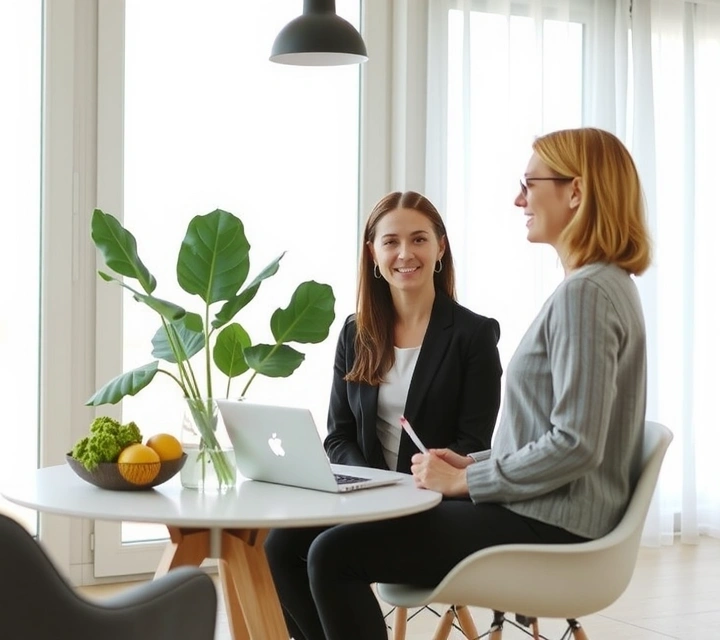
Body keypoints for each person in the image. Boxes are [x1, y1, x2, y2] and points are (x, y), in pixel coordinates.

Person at [281, 127, 652, 640]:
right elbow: (554, 437)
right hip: (548, 509)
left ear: (576, 192)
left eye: (530, 183)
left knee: (332, 554)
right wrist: (473, 462)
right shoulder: (600, 284)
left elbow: (576, 445)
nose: (518, 198)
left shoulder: (586, 293)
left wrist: (466, 481)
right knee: (290, 544)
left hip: (554, 523)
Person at [265, 190, 504, 640]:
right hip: (367, 496)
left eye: (418, 239)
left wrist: (410, 482)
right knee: (279, 546)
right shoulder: (356, 332)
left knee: (328, 554)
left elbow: (474, 444)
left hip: (432, 501)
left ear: (440, 247)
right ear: (372, 252)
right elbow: (336, 437)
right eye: (390, 241)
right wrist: (372, 483)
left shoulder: (473, 335)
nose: (405, 253)